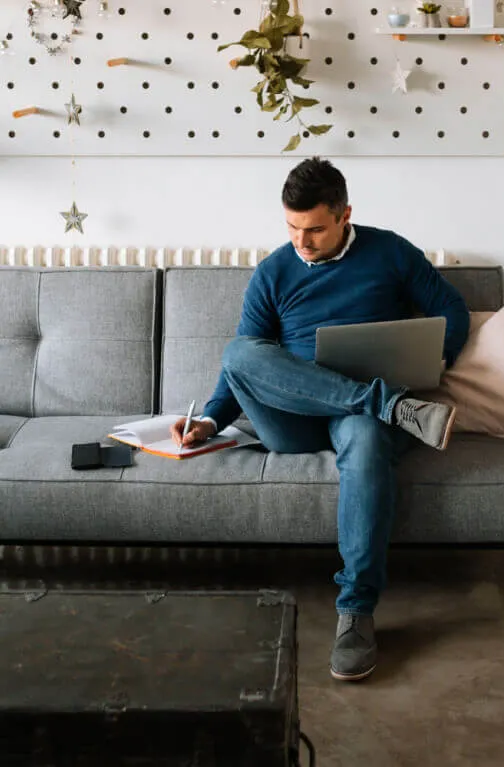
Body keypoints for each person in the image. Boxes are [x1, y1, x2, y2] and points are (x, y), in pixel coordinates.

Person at [170, 157, 470, 681]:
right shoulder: (274, 271)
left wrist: (435, 360)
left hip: (358, 423)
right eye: (291, 227)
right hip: (292, 420)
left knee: (367, 437)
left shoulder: (391, 252)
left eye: (314, 230)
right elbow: (245, 365)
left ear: (345, 214)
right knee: (240, 351)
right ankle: (389, 404)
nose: (301, 241)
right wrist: (212, 421)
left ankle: (355, 612)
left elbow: (453, 313)